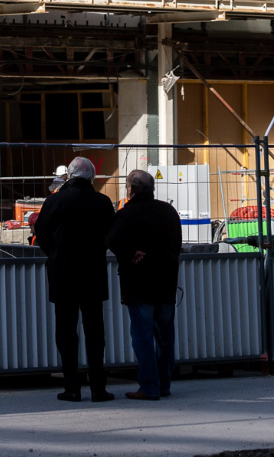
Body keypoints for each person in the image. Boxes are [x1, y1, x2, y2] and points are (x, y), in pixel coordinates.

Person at [34, 156, 116, 403]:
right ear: (92, 177)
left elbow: (42, 234)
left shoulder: (54, 201)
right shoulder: (102, 202)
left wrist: (56, 254)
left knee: (66, 331)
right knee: (95, 332)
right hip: (93, 275)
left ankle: (71, 387)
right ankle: (98, 388)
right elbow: (109, 235)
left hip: (63, 275)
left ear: (69, 176)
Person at [107, 169, 182, 402]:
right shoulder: (168, 211)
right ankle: (163, 384)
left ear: (130, 189)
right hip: (167, 281)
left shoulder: (126, 213)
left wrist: (131, 253)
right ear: (152, 189)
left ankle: (149, 386)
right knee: (165, 336)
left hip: (139, 283)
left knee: (142, 335)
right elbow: (177, 243)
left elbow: (111, 240)